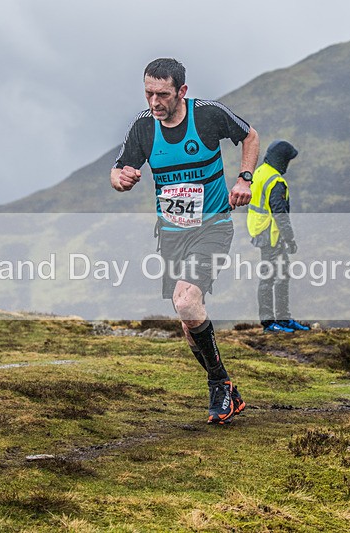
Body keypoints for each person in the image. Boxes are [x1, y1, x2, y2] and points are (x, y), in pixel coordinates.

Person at [110, 58, 259, 424]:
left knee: (186, 301)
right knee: (188, 318)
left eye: (162, 94)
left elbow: (250, 136)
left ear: (182, 92)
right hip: (172, 233)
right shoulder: (144, 127)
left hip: (212, 226)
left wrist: (244, 178)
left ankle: (219, 384)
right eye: (148, 93)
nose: (154, 102)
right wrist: (121, 179)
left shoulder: (206, 115)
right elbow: (119, 169)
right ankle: (226, 388)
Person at [247, 140, 310, 333]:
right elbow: (279, 214)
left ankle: (283, 319)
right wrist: (290, 239)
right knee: (269, 277)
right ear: (281, 160)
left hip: (261, 232)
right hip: (271, 235)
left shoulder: (260, 172)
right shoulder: (275, 181)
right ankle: (269, 323)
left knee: (281, 275)